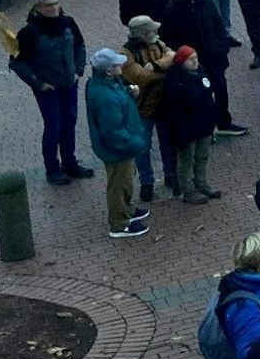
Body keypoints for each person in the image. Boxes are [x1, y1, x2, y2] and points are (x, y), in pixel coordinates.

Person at [11, 0, 93, 186]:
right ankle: (52, 169)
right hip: (48, 89)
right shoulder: (28, 33)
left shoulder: (68, 23)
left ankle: (70, 163)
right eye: (49, 5)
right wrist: (40, 84)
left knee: (70, 122)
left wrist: (78, 71)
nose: (54, 7)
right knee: (53, 127)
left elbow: (80, 47)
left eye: (56, 3)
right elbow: (17, 63)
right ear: (39, 8)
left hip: (69, 83)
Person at [85, 48, 149, 238]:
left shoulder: (106, 84)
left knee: (126, 180)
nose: (121, 65)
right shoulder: (105, 97)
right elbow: (113, 132)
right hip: (117, 149)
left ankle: (126, 210)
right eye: (116, 64)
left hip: (118, 147)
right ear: (108, 70)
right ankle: (119, 224)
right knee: (118, 184)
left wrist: (128, 91)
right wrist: (136, 142)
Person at [121, 15, 176, 200]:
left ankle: (170, 174)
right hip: (142, 107)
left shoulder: (158, 43)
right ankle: (147, 182)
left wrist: (155, 66)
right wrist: (164, 69)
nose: (157, 32)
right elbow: (141, 77)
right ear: (143, 33)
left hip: (164, 103)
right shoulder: (126, 54)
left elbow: (173, 56)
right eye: (152, 29)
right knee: (142, 147)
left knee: (168, 142)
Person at [160, 46, 220, 204]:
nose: (195, 61)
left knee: (202, 156)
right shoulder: (174, 81)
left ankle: (202, 183)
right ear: (182, 61)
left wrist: (213, 120)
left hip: (204, 124)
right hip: (187, 128)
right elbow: (174, 111)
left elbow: (209, 98)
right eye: (191, 59)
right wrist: (180, 134)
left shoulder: (201, 72)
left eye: (196, 58)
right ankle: (188, 189)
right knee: (187, 160)